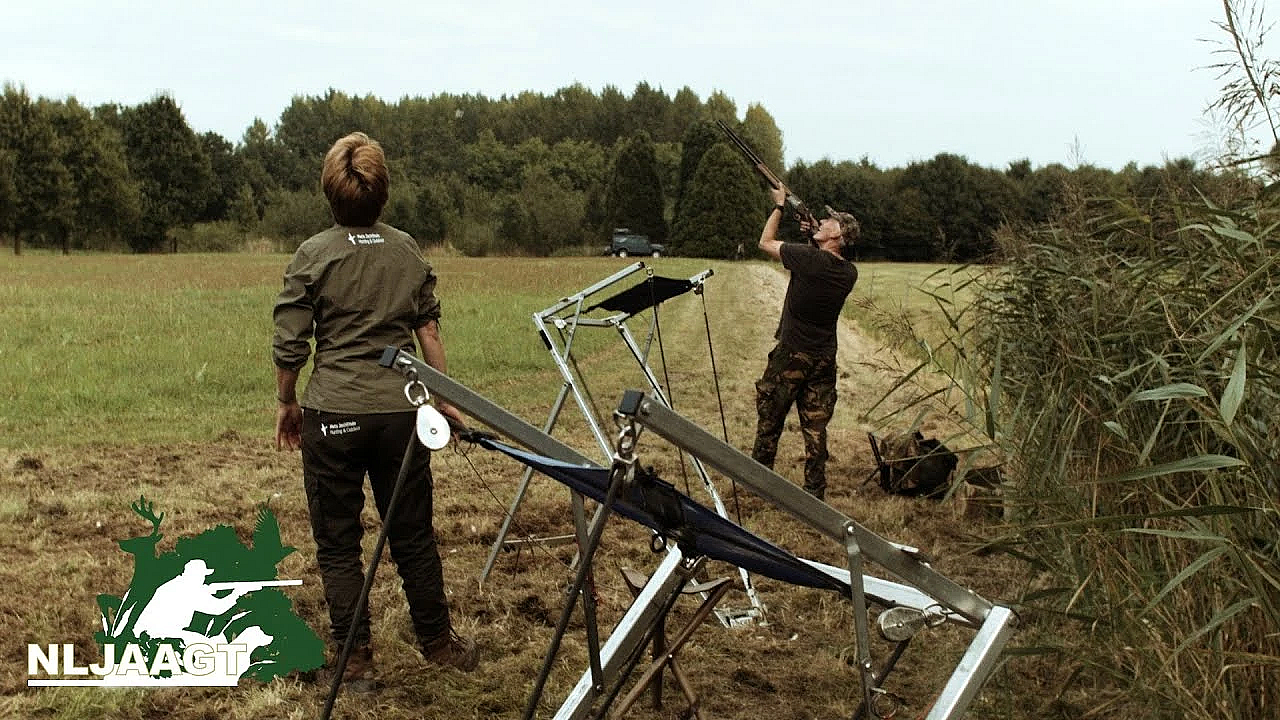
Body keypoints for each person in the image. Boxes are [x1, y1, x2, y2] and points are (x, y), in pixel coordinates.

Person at [272, 132, 478, 692]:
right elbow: (428, 329)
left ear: (329, 194)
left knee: (337, 543)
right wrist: (445, 399)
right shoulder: (407, 250)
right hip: (400, 415)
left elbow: (292, 344)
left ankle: (355, 661)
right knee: (412, 532)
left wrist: (287, 402)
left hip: (332, 415)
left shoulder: (312, 255)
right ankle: (438, 643)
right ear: (382, 193)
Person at [751, 186, 859, 501]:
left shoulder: (809, 259)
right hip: (824, 359)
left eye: (831, 222)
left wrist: (779, 207)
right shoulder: (848, 273)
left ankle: (758, 481)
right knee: (815, 428)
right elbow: (819, 259)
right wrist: (812, 235)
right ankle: (814, 491)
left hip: (791, 355)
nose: (825, 220)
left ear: (838, 238)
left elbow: (765, 242)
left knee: (770, 416)